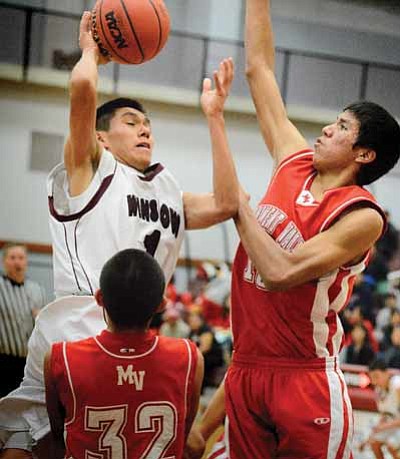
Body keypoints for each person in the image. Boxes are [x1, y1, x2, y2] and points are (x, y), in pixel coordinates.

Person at [0, 10, 239, 457]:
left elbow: (228, 202)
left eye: (147, 122)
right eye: (130, 121)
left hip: (140, 338)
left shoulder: (170, 191)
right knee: (28, 440)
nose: (144, 126)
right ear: (102, 138)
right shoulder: (90, 168)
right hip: (77, 326)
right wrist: (90, 50)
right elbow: (83, 90)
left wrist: (215, 117)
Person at [223, 0, 400, 458]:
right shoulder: (293, 160)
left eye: (341, 126)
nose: (324, 129)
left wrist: (238, 209)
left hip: (303, 377)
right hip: (244, 365)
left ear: (363, 155)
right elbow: (259, 69)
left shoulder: (361, 215)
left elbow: (282, 272)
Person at [44, 248, 204, 459]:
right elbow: (184, 434)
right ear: (161, 305)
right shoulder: (190, 357)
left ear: (99, 298)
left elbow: (57, 436)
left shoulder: (60, 358)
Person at [0, 243, 46, 397]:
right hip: (4, 359)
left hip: (29, 362)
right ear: (4, 261)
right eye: (12, 258)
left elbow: (45, 324)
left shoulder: (37, 288)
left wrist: (41, 316)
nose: (17, 262)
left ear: (26, 261)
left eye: (21, 258)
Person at [359, 359, 400, 459]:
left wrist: (384, 426)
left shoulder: (397, 385)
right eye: (372, 377)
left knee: (392, 446)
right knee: (374, 443)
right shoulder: (379, 391)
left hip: (396, 424)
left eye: (377, 376)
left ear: (386, 373)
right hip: (394, 423)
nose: (374, 381)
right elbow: (385, 416)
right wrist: (367, 439)